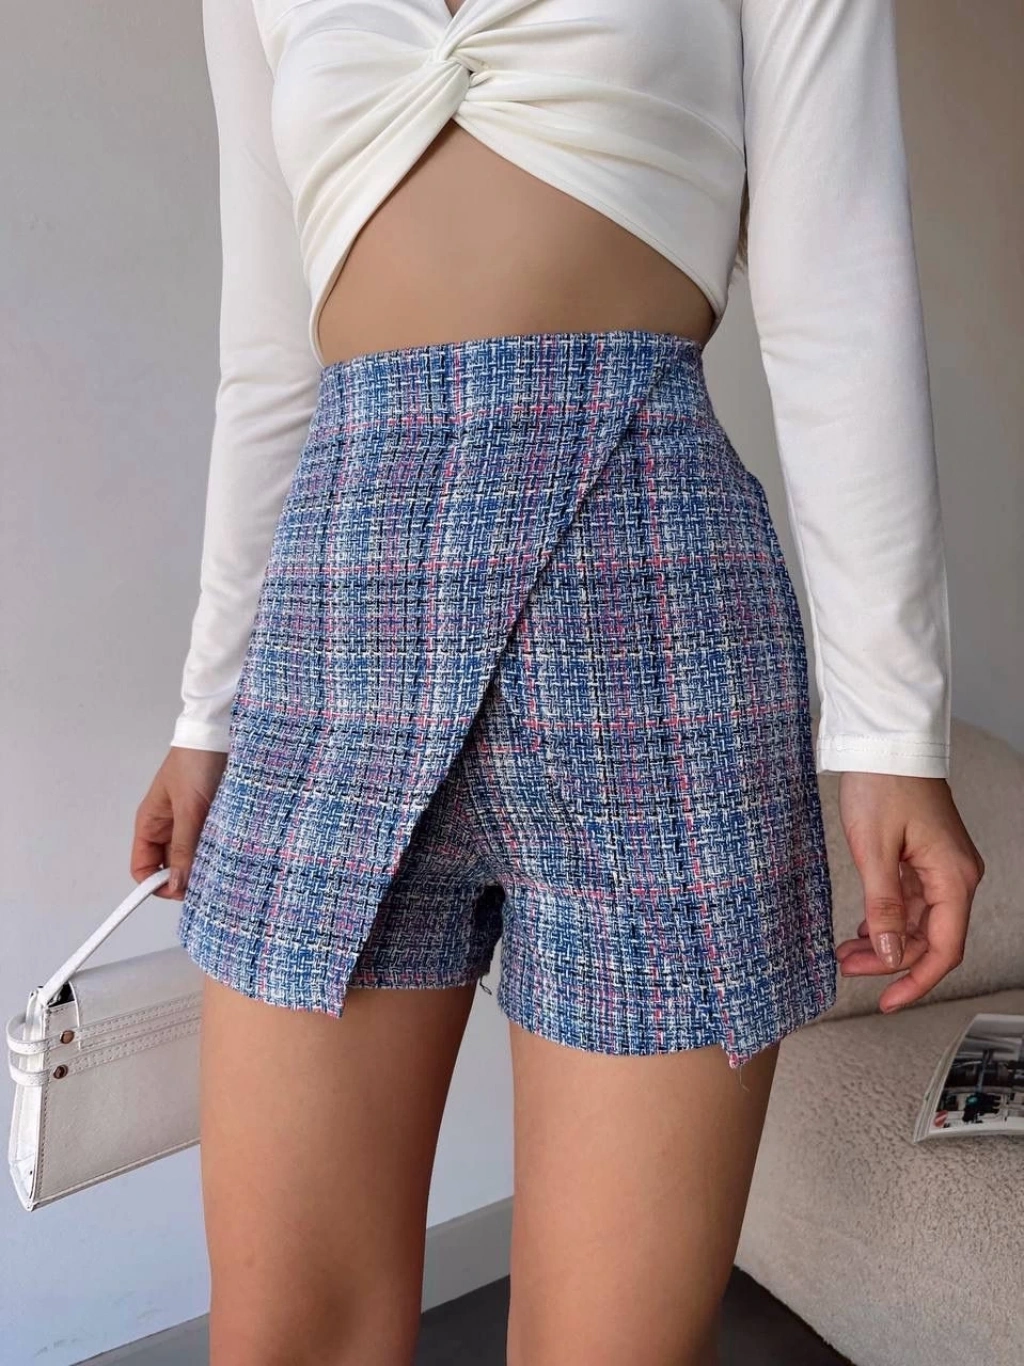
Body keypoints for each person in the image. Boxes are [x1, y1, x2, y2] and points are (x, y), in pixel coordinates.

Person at [130, 1, 985, 1362]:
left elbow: (841, 295)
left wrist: (892, 732)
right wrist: (206, 710)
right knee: (286, 1332)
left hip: (657, 610)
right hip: (336, 618)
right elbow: (272, 351)